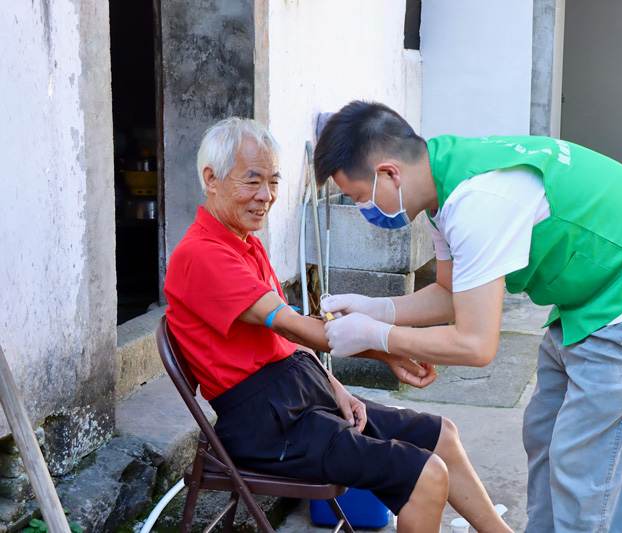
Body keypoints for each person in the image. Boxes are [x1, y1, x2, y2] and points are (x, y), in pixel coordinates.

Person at [314, 101, 622, 533]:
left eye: (361, 197)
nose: (364, 210)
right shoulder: (441, 181)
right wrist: (377, 308)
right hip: (588, 288)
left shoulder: (477, 201)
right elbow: (453, 293)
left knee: (585, 463)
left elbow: (476, 344)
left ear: (389, 173)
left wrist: (377, 336)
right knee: (545, 435)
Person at [163, 117, 512, 533]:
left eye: (273, 182)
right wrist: (384, 351)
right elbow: (293, 326)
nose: (266, 196)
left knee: (442, 435)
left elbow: (290, 342)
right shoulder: (201, 255)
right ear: (212, 179)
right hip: (268, 424)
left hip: (300, 395)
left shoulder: (245, 243)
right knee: (426, 475)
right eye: (252, 181)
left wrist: (338, 388)